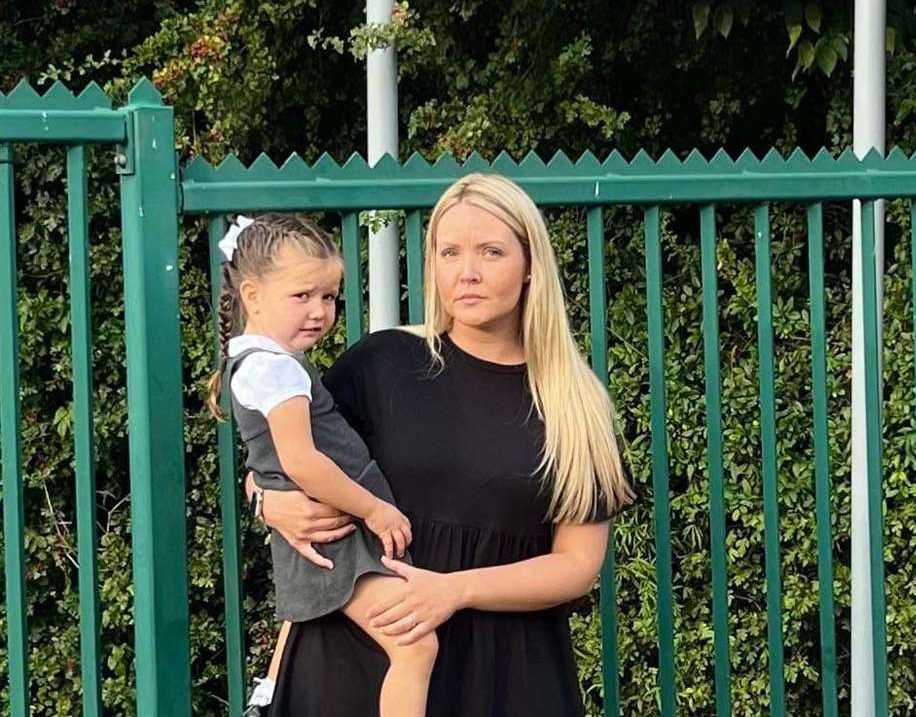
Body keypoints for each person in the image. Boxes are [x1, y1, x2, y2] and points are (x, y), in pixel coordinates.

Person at [260, 173, 635, 717]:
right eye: (450, 251)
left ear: (531, 265)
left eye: (491, 251)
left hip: (504, 677)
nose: (468, 273)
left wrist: (453, 590)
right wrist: (268, 502)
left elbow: (577, 564)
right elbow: (278, 461)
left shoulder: (576, 405)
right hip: (355, 659)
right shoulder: (381, 364)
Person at [207, 214, 437, 717]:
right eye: (302, 296)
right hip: (338, 539)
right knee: (414, 644)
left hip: (335, 535)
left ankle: (267, 695)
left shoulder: (268, 362)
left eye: (329, 297)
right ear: (252, 295)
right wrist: (374, 510)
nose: (320, 311)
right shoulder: (273, 369)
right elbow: (303, 463)